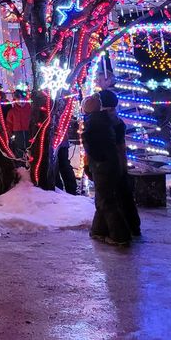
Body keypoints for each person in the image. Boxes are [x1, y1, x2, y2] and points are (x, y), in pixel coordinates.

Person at [82, 95, 131, 247]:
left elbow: (93, 147)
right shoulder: (105, 120)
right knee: (102, 198)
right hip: (110, 164)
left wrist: (95, 162)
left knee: (106, 201)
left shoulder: (93, 123)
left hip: (102, 166)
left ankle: (120, 235)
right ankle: (98, 230)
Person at [99, 88, 142, 237]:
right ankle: (133, 226)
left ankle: (119, 232)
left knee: (111, 198)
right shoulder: (117, 120)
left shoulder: (105, 122)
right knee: (124, 194)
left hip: (109, 163)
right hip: (119, 161)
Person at [55, 102, 79, 195]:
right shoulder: (63, 108)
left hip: (58, 142)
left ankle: (64, 190)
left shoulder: (60, 110)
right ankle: (68, 189)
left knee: (61, 165)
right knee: (63, 165)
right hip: (60, 141)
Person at [6, 88, 32, 160]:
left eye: (22, 100)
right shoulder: (12, 112)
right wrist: (10, 134)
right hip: (17, 134)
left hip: (28, 133)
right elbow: (9, 124)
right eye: (18, 101)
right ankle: (21, 163)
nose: (21, 102)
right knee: (19, 150)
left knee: (29, 149)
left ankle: (29, 162)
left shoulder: (30, 110)